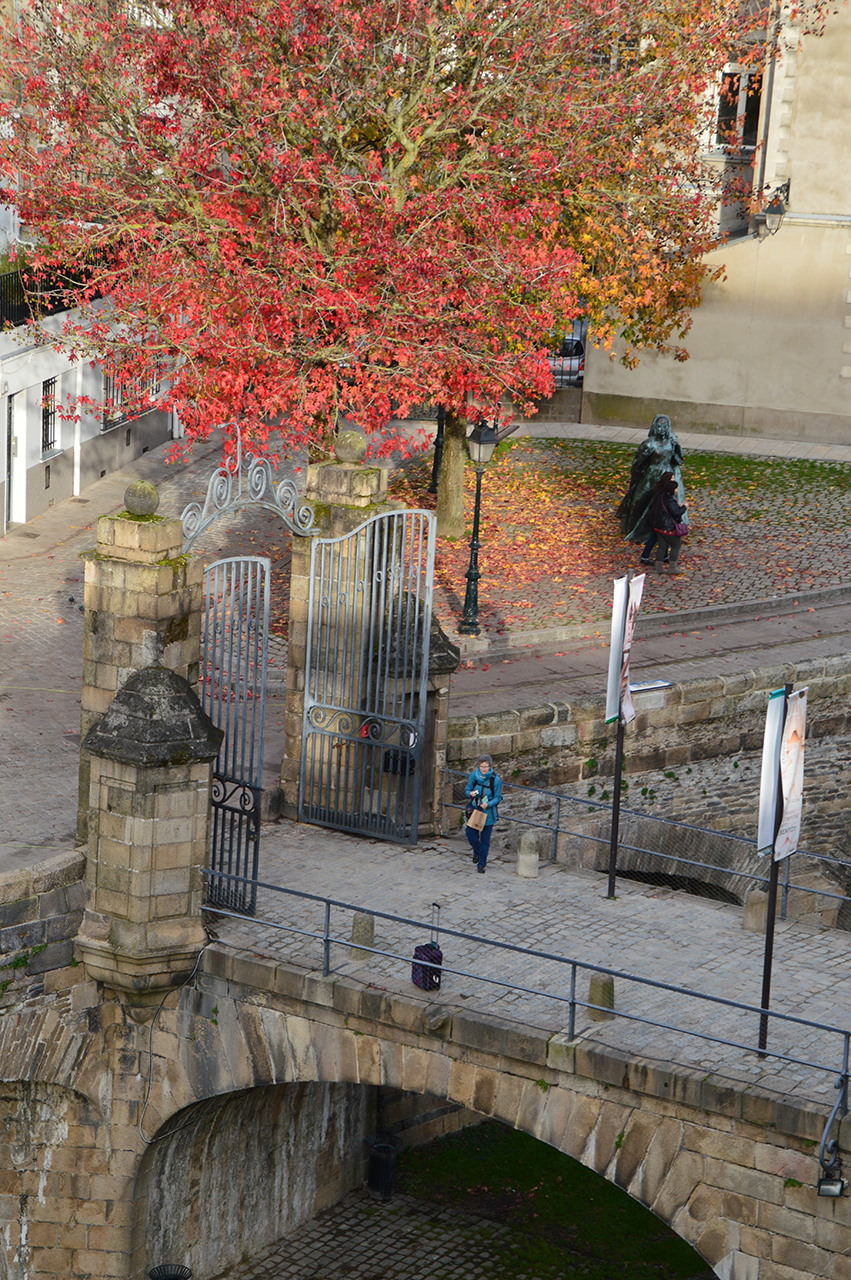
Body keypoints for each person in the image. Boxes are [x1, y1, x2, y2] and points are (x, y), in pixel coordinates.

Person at [617, 414, 688, 558]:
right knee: (639, 501)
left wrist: (677, 446)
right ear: (655, 427)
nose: (662, 429)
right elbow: (637, 463)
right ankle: (633, 528)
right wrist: (637, 479)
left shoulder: (671, 443)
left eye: (665, 426)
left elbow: (678, 460)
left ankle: (660, 530)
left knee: (665, 503)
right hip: (651, 476)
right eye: (659, 426)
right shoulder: (649, 444)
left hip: (666, 475)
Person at [464, 754, 502, 874]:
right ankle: (477, 851)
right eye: (482, 766)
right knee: (471, 836)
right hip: (475, 810)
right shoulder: (473, 776)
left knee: (485, 840)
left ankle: (481, 864)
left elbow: (498, 797)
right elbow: (466, 790)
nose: (484, 769)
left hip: (487, 813)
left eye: (486, 767)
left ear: (490, 767)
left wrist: (488, 804)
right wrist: (470, 794)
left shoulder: (495, 779)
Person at [652, 473, 688, 575]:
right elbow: (676, 512)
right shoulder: (671, 501)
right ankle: (672, 568)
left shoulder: (661, 496)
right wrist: (684, 507)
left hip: (659, 527)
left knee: (662, 547)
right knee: (676, 546)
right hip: (669, 529)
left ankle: (658, 567)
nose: (677, 490)